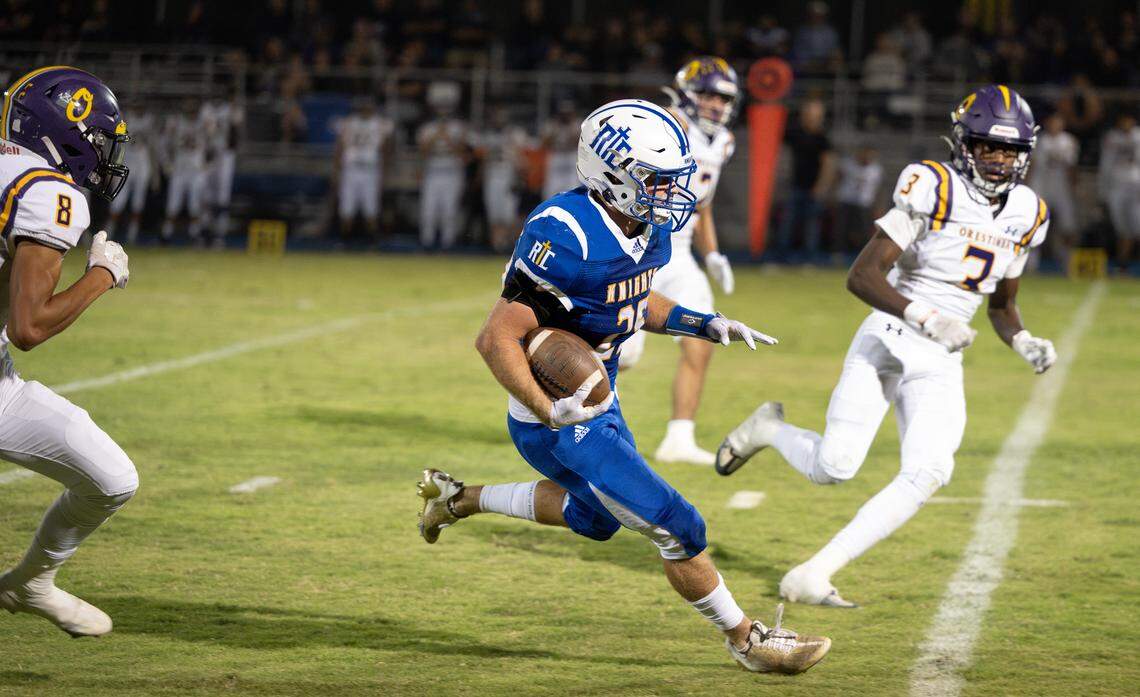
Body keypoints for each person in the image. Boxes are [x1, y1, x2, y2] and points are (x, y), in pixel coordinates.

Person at [417, 99, 830, 673]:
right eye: (658, 181)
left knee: (598, 519)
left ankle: (458, 498)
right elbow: (496, 338)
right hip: (560, 416)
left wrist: (703, 322)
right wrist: (548, 408)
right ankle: (748, 640)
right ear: (612, 175)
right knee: (677, 524)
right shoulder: (565, 234)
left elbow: (633, 301)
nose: (671, 195)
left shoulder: (646, 227)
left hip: (597, 398)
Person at [717, 85, 1057, 607]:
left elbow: (1002, 307)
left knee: (930, 470)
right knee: (833, 467)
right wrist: (924, 314)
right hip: (892, 335)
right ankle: (769, 428)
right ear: (964, 143)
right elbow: (863, 275)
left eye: (1009, 150)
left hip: (942, 357)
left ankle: (814, 572)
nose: (998, 159)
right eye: (988, 146)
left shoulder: (1029, 213)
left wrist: (1024, 340)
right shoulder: (933, 186)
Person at [0, 66, 136, 636]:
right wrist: (101, 275)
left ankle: (29, 583)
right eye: (99, 141)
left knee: (112, 477)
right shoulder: (49, 192)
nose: (102, 157)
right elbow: (29, 326)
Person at [618, 57, 740, 465]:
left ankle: (679, 438)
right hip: (643, 248)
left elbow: (702, 206)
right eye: (708, 94)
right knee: (625, 353)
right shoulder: (665, 126)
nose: (717, 105)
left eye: (724, 98)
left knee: (705, 334)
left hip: (682, 254)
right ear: (687, 93)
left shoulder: (723, 141)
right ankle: (577, 415)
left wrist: (714, 254)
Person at [775, 99, 835, 260]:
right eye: (808, 114)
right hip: (795, 184)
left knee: (812, 226)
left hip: (813, 187)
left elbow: (828, 164)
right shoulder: (796, 133)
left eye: (815, 115)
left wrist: (821, 186)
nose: (811, 118)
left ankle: (810, 258)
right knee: (787, 224)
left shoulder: (822, 139)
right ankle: (782, 257)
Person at [334, 99, 394, 243]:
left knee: (371, 209)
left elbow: (386, 150)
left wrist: (384, 172)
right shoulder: (348, 122)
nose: (365, 109)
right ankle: (344, 242)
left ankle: (373, 243)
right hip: (351, 169)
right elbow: (339, 148)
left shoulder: (381, 123)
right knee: (346, 208)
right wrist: (336, 171)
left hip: (370, 169)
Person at [417, 83, 468, 250]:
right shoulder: (427, 129)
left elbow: (461, 152)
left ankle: (447, 244)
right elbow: (423, 152)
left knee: (449, 210)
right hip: (433, 171)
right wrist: (436, 135)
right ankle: (427, 243)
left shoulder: (458, 127)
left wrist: (446, 136)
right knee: (429, 210)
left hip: (451, 172)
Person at [474, 106, 528, 253]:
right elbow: (483, 160)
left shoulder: (515, 135)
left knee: (509, 216)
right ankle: (497, 247)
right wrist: (480, 178)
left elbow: (521, 161)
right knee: (494, 215)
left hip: (508, 176)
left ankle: (509, 246)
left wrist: (520, 179)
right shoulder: (487, 136)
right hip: (493, 176)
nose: (498, 120)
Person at [1028, 113, 1079, 263]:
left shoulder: (1069, 141)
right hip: (1041, 185)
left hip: (1061, 187)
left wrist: (1074, 188)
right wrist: (1027, 185)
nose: (1054, 126)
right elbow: (1032, 164)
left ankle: (1066, 257)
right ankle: (1031, 259)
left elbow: (1072, 167)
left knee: (1068, 224)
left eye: (1057, 123)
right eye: (1052, 122)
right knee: (1035, 222)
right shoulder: (1040, 140)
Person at [106, 104, 156, 244]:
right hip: (127, 163)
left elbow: (153, 147)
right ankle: (108, 232)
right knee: (117, 202)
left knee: (138, 203)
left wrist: (154, 172)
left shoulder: (150, 121)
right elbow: (117, 144)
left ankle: (132, 235)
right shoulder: (126, 120)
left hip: (142, 165)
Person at [1098, 111, 1140, 271]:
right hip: (1117, 188)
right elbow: (1105, 165)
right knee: (1122, 230)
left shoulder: (1138, 136)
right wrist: (1103, 192)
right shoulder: (1112, 138)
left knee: (1137, 227)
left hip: (1136, 187)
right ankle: (1123, 265)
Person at [160, 100, 207, 243]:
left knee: (194, 205)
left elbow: (215, 145)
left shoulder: (204, 125)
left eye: (194, 111)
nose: (191, 114)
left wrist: (208, 165)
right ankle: (166, 234)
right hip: (180, 169)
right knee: (173, 205)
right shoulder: (177, 123)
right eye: (189, 111)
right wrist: (167, 163)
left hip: (195, 170)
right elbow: (163, 143)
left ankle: (194, 235)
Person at [200, 96, 244, 246]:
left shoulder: (231, 109)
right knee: (207, 194)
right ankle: (204, 231)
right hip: (210, 153)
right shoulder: (207, 109)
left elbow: (236, 128)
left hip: (225, 154)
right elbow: (204, 132)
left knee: (222, 197)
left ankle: (219, 233)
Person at [834, 146, 883, 254]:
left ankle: (862, 254)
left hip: (864, 203)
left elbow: (877, 188)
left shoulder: (875, 169)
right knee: (841, 229)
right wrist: (834, 194)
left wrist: (877, 205)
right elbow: (837, 178)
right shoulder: (848, 164)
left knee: (864, 230)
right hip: (846, 199)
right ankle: (838, 253)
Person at [540, 100, 580, 199]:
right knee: (551, 187)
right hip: (556, 155)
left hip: (571, 155)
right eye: (563, 114)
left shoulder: (577, 124)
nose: (565, 116)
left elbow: (581, 142)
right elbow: (544, 143)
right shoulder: (552, 125)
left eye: (568, 114)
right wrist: (555, 131)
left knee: (573, 185)